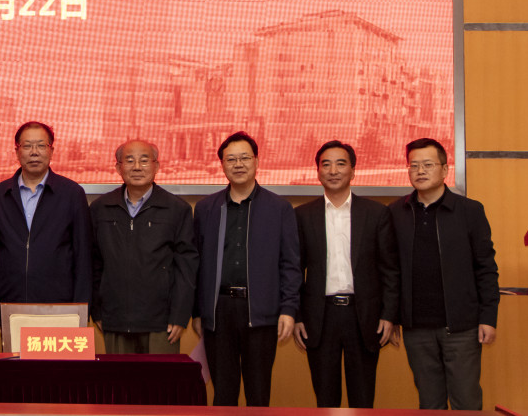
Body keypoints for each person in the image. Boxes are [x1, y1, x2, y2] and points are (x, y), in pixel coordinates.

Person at [390, 138, 499, 410]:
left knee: (466, 402)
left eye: (428, 165)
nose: (420, 171)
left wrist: (488, 318)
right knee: (429, 404)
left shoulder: (470, 211)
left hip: (461, 327)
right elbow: (390, 271)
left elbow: (486, 269)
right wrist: (391, 316)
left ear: (445, 170)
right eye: (414, 165)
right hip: (416, 328)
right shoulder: (396, 213)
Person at [192, 131, 300, 406]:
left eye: (244, 158)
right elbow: (196, 264)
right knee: (223, 394)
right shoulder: (206, 209)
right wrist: (198, 311)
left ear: (256, 161)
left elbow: (290, 264)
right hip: (218, 312)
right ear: (222, 165)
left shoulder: (279, 208)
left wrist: (288, 309)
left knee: (258, 394)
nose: (238, 164)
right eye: (231, 159)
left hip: (261, 312)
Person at [294, 140, 399, 408]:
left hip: (364, 317)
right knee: (325, 399)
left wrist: (389, 315)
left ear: (353, 170)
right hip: (320, 317)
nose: (333, 171)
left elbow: (389, 269)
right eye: (326, 164)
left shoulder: (376, 213)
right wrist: (297, 316)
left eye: (341, 164)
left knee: (362, 400)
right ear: (318, 171)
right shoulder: (303, 215)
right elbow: (294, 270)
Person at [90, 139, 197, 353]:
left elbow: (186, 267)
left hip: (162, 323)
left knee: (160, 376)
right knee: (119, 376)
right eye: (130, 160)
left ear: (156, 166)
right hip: (115, 319)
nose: (137, 167)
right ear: (118, 168)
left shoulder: (177, 209)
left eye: (144, 160)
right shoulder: (100, 208)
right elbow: (93, 264)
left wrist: (180, 315)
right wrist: (97, 311)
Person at [0, 121, 92, 331]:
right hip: (11, 305)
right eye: (27, 146)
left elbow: (83, 257)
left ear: (51, 150)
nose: (34, 152)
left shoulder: (72, 194)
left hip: (60, 308)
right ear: (17, 151)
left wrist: (81, 310)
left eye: (41, 146)